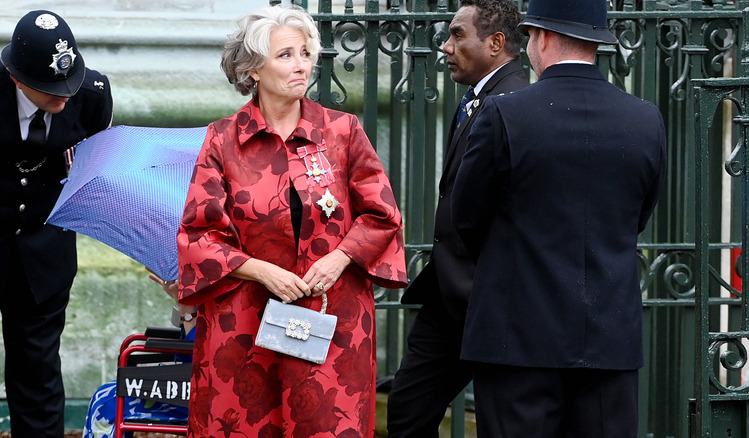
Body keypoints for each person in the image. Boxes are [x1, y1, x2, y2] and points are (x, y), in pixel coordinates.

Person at [176, 5, 407, 437]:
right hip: (244, 322)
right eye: (285, 55)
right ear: (253, 69)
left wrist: (339, 258)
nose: (301, 65)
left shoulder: (343, 131)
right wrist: (263, 272)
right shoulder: (222, 140)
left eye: (304, 53)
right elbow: (199, 234)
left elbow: (383, 215)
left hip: (332, 317)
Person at [451, 0, 667, 436]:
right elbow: (639, 214)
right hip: (609, 339)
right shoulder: (646, 119)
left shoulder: (503, 113)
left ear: (541, 38)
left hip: (516, 338)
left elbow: (466, 217)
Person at [385, 0, 528, 435]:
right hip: (451, 297)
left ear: (496, 43)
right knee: (408, 406)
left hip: (493, 300)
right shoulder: (476, 99)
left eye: (457, 35)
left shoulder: (514, 103)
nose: (446, 47)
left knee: (498, 419)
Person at [0, 10, 113, 437]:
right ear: (15, 77)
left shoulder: (93, 92)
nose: (64, 97)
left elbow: (89, 158)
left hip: (45, 247)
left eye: (69, 83)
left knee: (39, 370)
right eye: (50, 91)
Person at [83, 270, 194, 438]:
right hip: (202, 382)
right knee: (108, 393)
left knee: (107, 402)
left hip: (211, 393)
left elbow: (200, 356)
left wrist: (186, 309)